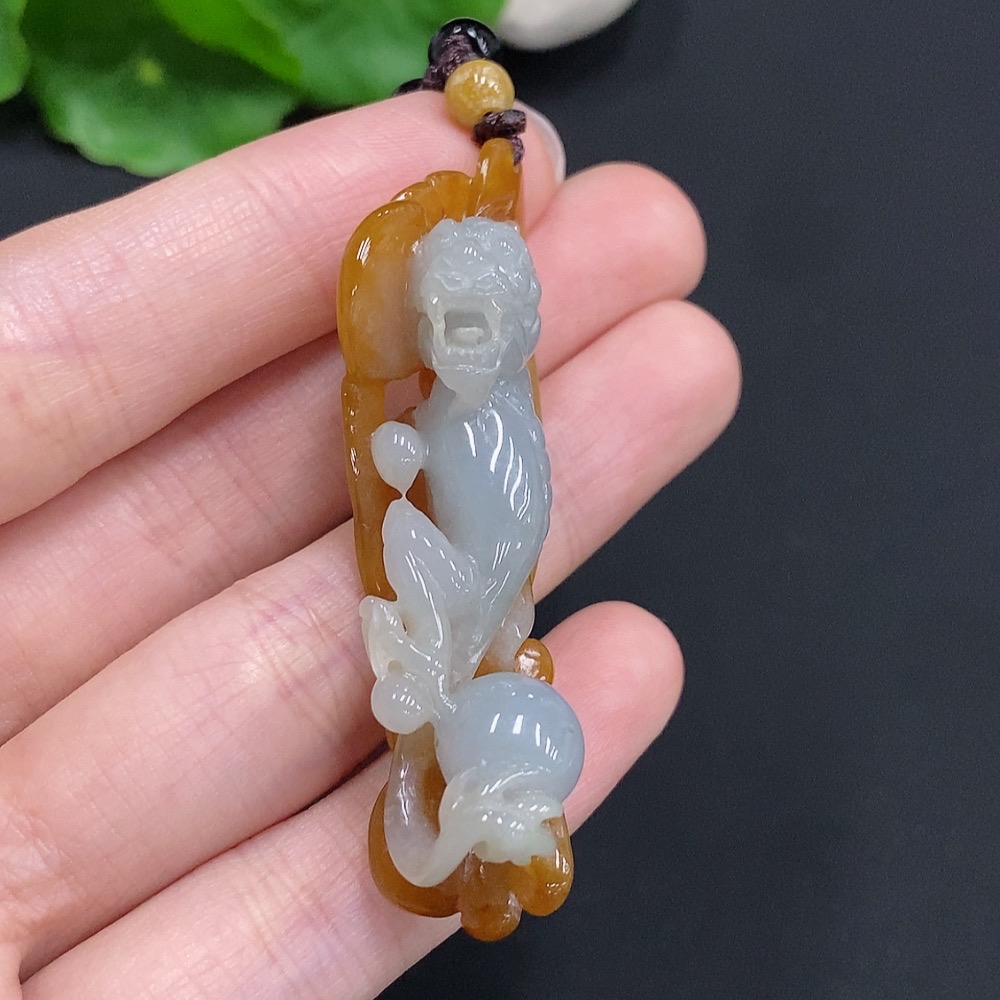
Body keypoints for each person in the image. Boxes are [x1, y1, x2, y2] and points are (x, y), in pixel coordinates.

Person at [0, 94, 739, 998]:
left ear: (514, 329)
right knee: (408, 557)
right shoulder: (441, 403)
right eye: (442, 323)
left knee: (436, 598)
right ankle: (461, 793)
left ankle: (474, 795)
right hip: (453, 604)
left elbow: (500, 523)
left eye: (478, 325)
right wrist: (404, 460)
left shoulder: (504, 405)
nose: (456, 344)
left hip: (478, 601)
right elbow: (409, 462)